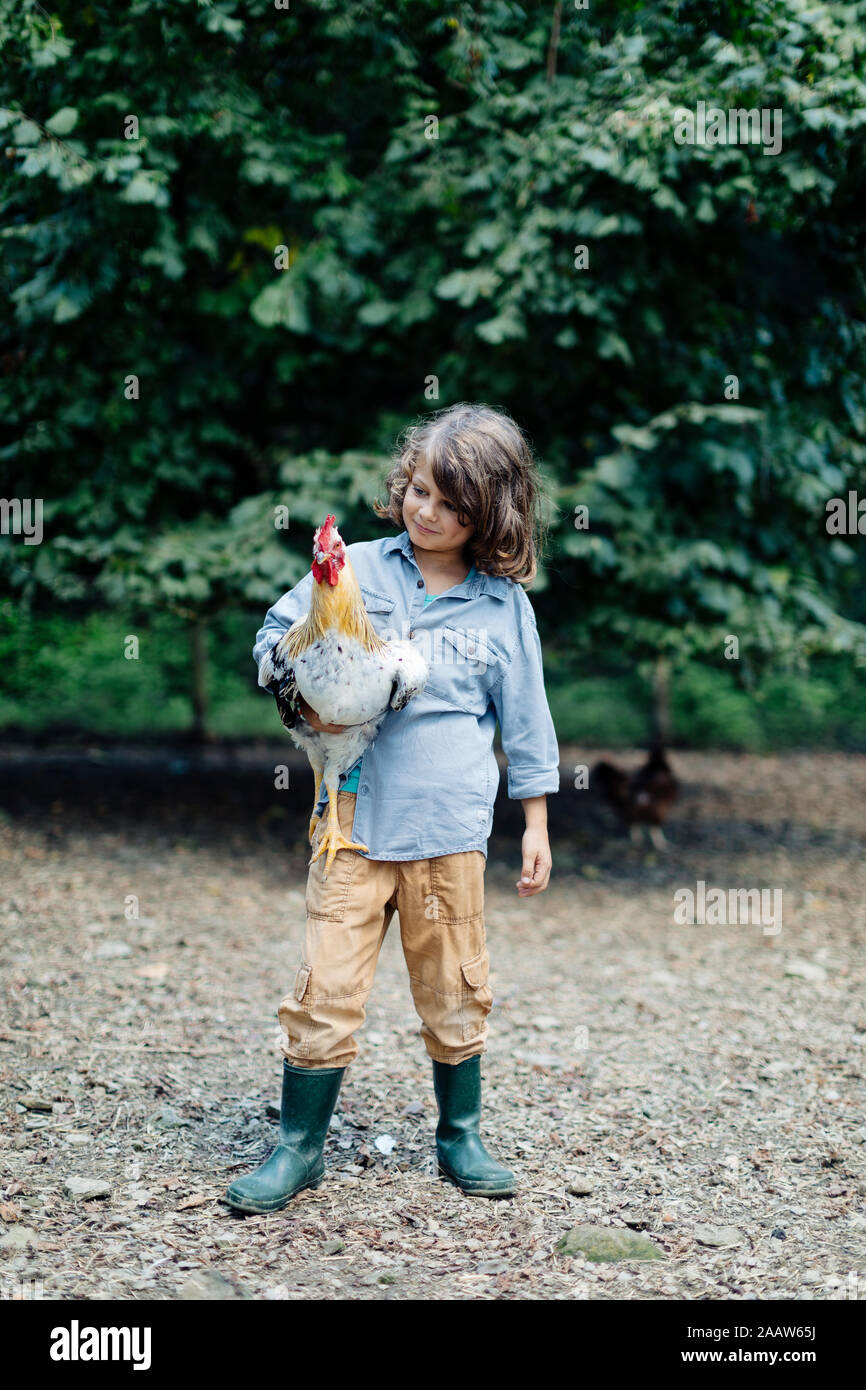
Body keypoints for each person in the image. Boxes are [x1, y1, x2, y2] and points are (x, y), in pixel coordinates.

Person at [225, 402, 560, 1213]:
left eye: (450, 503)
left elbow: (527, 716)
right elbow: (275, 634)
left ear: (490, 514)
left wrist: (538, 822)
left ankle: (460, 1135)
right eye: (417, 490)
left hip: (450, 830)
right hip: (351, 822)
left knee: (454, 987)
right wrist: (295, 684)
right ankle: (299, 1146)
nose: (427, 511)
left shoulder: (503, 605)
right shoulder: (358, 569)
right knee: (324, 987)